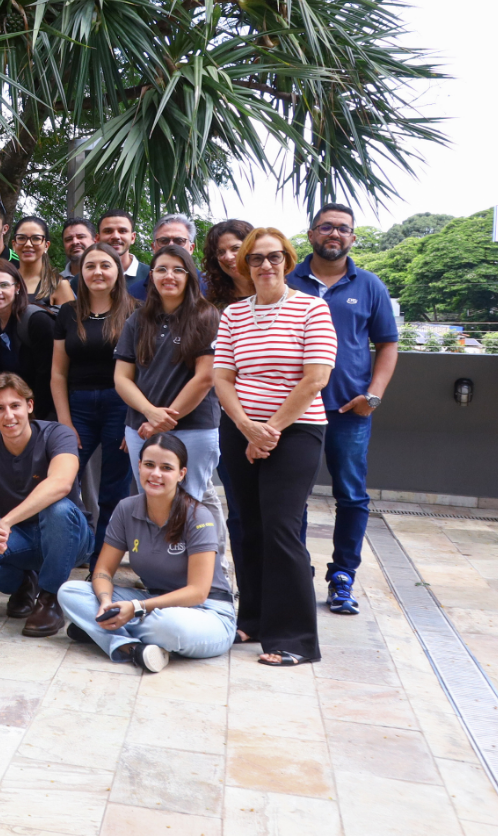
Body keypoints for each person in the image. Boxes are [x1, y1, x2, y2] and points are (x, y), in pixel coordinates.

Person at [213, 226, 335, 667]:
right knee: (247, 525)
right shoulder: (234, 315)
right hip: (241, 431)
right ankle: (256, 620)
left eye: (275, 257)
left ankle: (295, 639)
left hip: (297, 430)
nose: (266, 265)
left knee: (282, 526)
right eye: (257, 258)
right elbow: (222, 378)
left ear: (287, 260)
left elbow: (316, 377)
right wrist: (248, 428)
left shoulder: (312, 309)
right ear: (246, 265)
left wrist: (271, 430)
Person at [287, 203, 397, 617]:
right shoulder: (286, 280)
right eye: (326, 227)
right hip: (294, 409)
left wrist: (374, 395)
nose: (334, 234)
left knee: (351, 496)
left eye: (343, 229)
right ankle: (294, 573)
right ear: (311, 233)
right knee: (292, 496)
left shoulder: (369, 285)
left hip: (349, 412)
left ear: (352, 237)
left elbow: (387, 343)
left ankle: (342, 577)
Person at [58, 432, 235, 672]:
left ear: (181, 474)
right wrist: (105, 602)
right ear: (139, 466)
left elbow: (198, 592)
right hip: (150, 605)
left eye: (166, 468)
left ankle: (99, 628)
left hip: (206, 614)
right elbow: (103, 570)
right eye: (149, 465)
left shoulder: (198, 515)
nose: (156, 474)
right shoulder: (126, 508)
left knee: (169, 626)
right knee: (70, 591)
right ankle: (131, 648)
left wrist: (136, 609)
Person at [112, 245, 224, 559]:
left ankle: (203, 578)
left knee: (190, 504)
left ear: (190, 276)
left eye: (178, 269)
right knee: (155, 499)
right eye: (161, 269)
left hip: (194, 428)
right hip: (141, 428)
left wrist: (164, 419)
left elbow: (205, 377)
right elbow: (122, 378)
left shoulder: (206, 316)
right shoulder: (138, 319)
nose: (169, 276)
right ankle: (163, 573)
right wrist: (149, 414)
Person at [0, 373, 91, 637]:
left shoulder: (58, 434)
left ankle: (49, 599)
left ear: (29, 406)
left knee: (58, 507)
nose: (9, 415)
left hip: (69, 535)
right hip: (21, 537)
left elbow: (61, 484)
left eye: (15, 406)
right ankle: (24, 583)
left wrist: (6, 521)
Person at [51, 243, 136, 545]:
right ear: (80, 272)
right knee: (63, 481)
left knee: (114, 488)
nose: (97, 272)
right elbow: (58, 373)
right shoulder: (67, 312)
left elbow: (145, 373)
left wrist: (135, 421)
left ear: (118, 270)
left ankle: (102, 561)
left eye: (105, 265)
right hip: (78, 407)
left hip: (121, 406)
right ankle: (80, 543)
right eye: (90, 266)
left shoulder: (136, 311)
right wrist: (65, 423)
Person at [0, 265, 57, 419]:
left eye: (4, 285)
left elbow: (46, 377)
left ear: (17, 287)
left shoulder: (37, 321)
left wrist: (33, 418)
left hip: (44, 412)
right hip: (13, 410)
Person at [132, 214, 197, 301]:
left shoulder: (210, 289)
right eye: (164, 241)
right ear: (153, 247)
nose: (171, 245)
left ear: (191, 248)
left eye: (179, 241)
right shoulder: (134, 294)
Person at [11, 216, 73, 307]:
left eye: (36, 238)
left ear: (46, 245)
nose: (28, 244)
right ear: (14, 245)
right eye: (21, 238)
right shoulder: (2, 280)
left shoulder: (58, 285)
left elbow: (70, 321)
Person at [95, 209, 146, 292]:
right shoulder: (85, 278)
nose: (115, 236)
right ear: (97, 238)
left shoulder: (151, 277)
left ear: (133, 238)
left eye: (122, 231)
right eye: (108, 231)